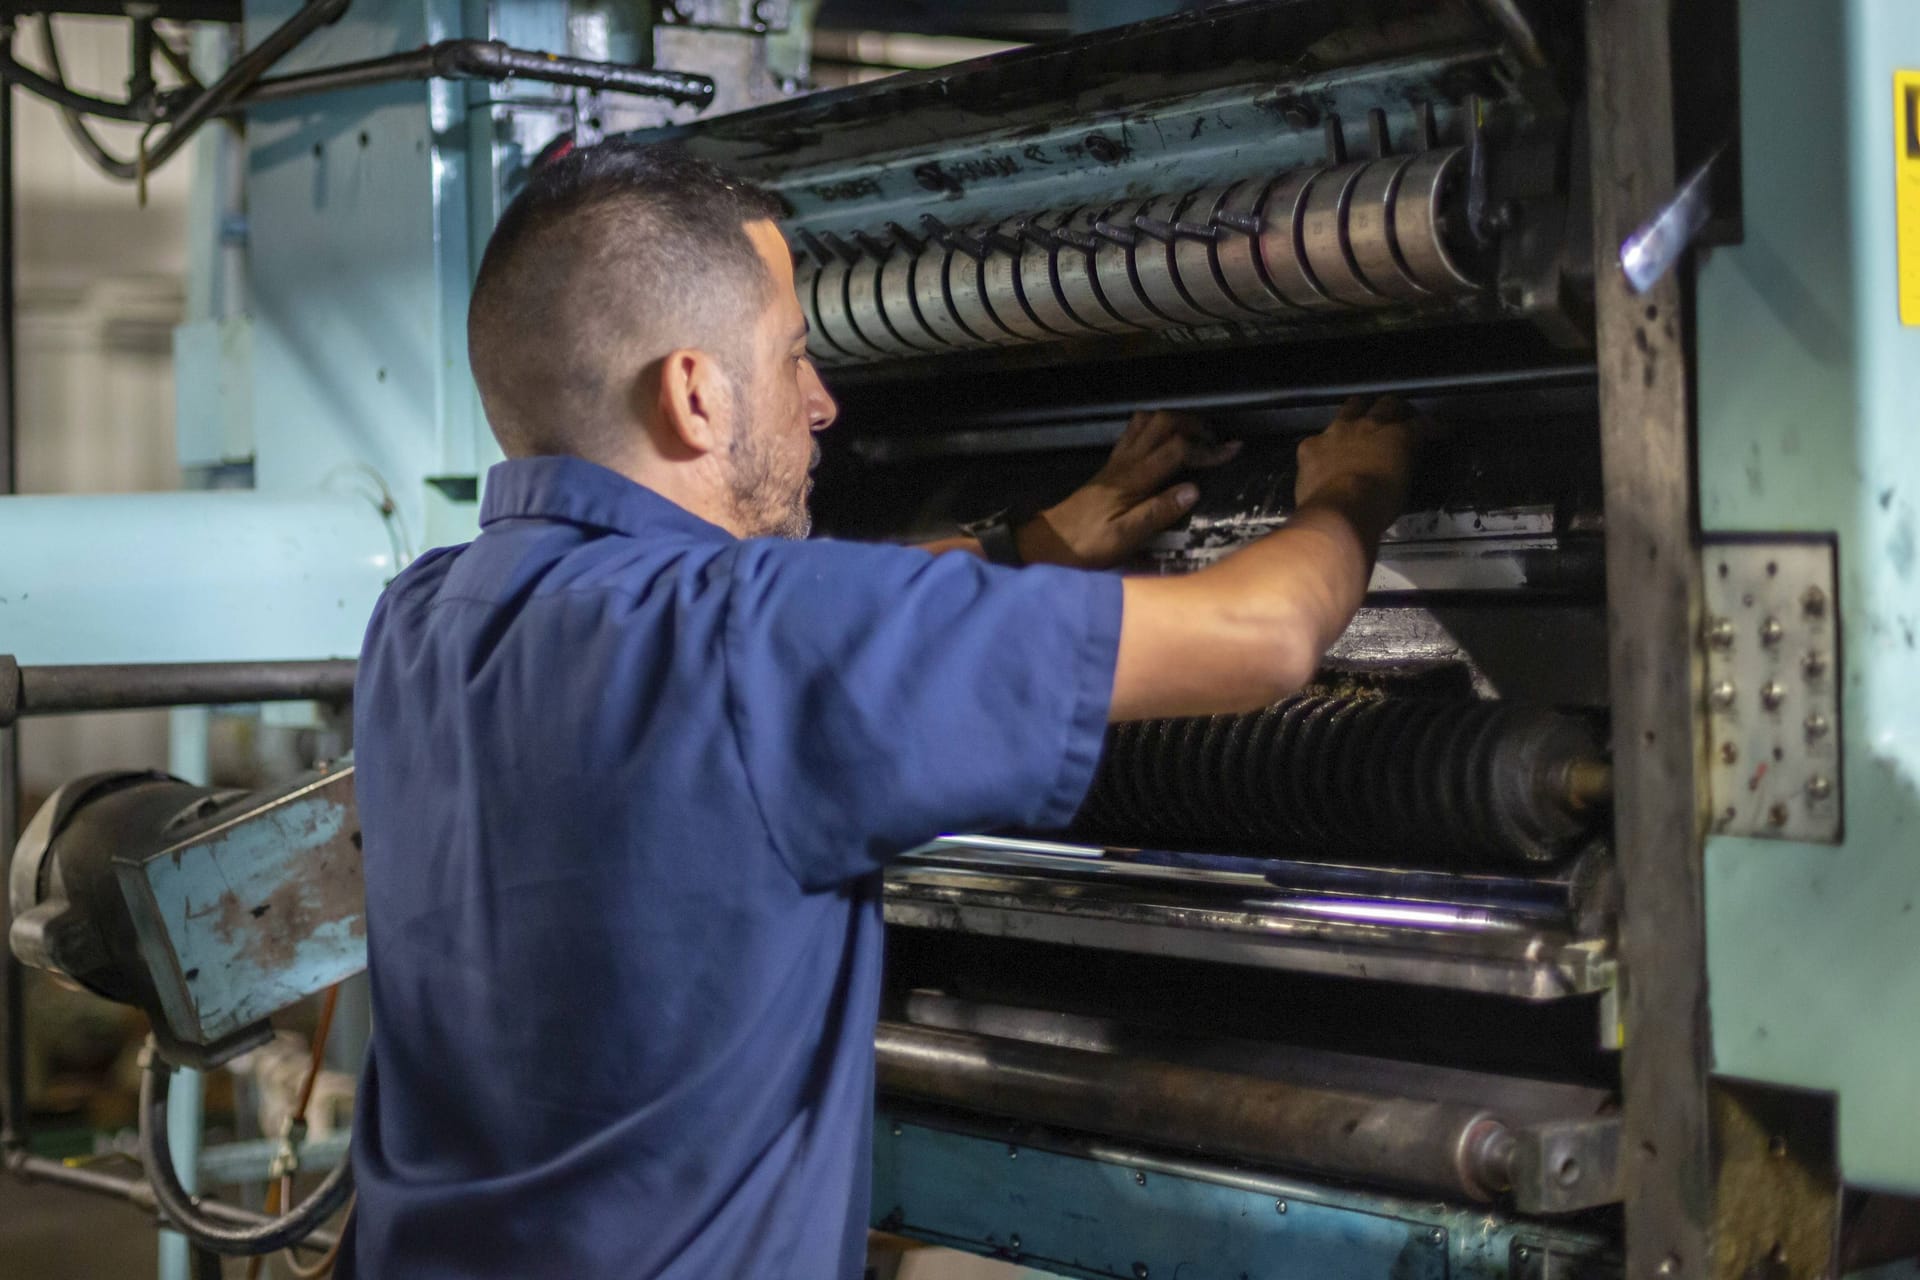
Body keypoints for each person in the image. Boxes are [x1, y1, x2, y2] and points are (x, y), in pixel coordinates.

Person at [342, 140, 1418, 1279]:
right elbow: (1262, 634)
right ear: (696, 393)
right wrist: (1356, 487)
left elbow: (814, 612)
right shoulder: (762, 642)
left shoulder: (417, 619)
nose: (822, 402)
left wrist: (1032, 543)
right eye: (792, 355)